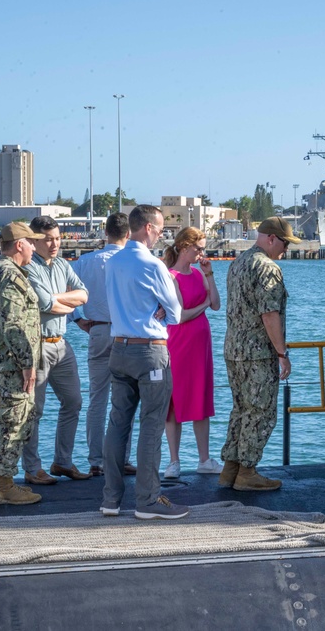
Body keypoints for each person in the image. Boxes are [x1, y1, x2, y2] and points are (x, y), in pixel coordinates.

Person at [101, 205, 187, 520]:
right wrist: (161, 307)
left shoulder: (112, 262)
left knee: (117, 423)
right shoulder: (153, 265)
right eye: (161, 229)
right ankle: (148, 500)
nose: (162, 235)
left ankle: (110, 499)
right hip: (149, 350)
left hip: (119, 348)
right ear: (148, 228)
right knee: (151, 425)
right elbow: (176, 313)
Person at [218, 216, 299, 491]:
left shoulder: (238, 262)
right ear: (271, 238)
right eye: (285, 243)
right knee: (261, 412)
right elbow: (269, 313)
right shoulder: (267, 267)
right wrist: (281, 352)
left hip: (233, 350)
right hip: (258, 353)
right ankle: (248, 472)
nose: (285, 250)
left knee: (241, 409)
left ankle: (230, 468)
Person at [0, 221, 45, 504]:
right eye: (31, 242)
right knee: (15, 422)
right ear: (19, 244)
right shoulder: (11, 276)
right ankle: (5, 486)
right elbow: (13, 325)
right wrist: (27, 363)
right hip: (11, 363)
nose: (34, 247)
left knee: (0, 421)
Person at [22, 215, 90, 485]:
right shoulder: (29, 268)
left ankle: (62, 462)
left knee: (74, 401)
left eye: (58, 238)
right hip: (37, 345)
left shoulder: (63, 264)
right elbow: (42, 303)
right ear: (34, 240)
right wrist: (59, 302)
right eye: (48, 239)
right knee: (34, 411)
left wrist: (57, 301)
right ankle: (32, 468)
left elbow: (83, 294)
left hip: (61, 343)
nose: (54, 244)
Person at [71, 212, 136, 477]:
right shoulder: (132, 261)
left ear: (104, 233)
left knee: (97, 399)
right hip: (127, 334)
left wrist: (78, 319)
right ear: (128, 234)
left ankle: (96, 460)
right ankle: (122, 458)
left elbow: (68, 292)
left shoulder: (84, 262)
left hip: (97, 329)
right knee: (126, 399)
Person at [162, 226, 222, 478]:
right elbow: (180, 315)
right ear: (185, 247)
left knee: (201, 397)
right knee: (174, 402)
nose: (201, 253)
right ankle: (174, 461)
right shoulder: (170, 275)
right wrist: (205, 304)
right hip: (179, 344)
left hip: (200, 346)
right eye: (198, 248)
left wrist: (210, 276)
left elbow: (217, 304)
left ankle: (204, 459)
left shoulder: (199, 274)